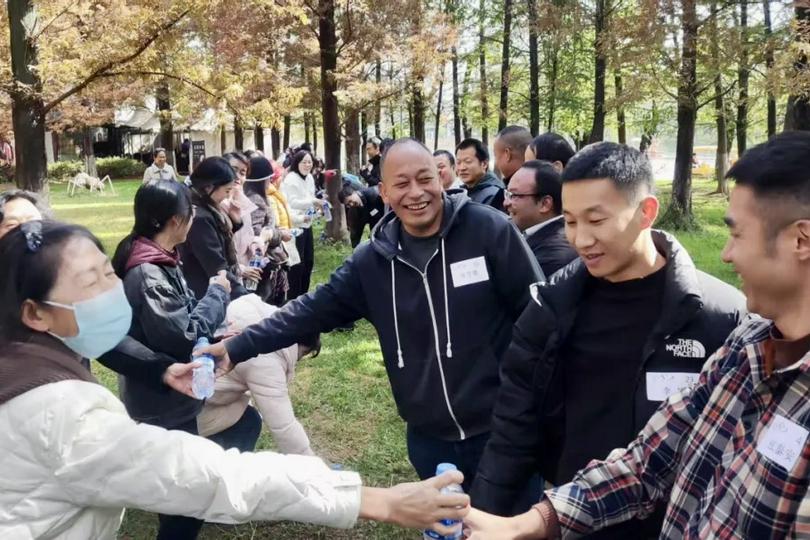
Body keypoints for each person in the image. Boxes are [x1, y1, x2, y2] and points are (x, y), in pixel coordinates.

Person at [0, 220, 472, 539]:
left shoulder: (25, 364)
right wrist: (372, 499)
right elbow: (209, 475)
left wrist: (162, 368)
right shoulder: (60, 415)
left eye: (109, 273)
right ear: (35, 313)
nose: (115, 291)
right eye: (91, 282)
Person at [465, 131, 810, 540]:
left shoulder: (721, 317)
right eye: (571, 222)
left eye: (736, 235)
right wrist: (522, 523)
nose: (725, 255)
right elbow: (647, 461)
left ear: (800, 240)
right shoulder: (745, 350)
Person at [197, 138, 543, 494]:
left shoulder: (488, 230)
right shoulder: (373, 261)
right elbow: (307, 312)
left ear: (442, 179)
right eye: (402, 183)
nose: (416, 192)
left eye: (426, 178)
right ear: (385, 191)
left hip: (500, 430)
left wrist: (531, 406)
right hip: (430, 440)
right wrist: (236, 347)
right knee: (451, 526)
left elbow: (540, 317)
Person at [107, 180, 261, 538]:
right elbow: (184, 336)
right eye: (190, 213)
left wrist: (220, 339)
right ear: (177, 220)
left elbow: (181, 325)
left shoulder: (159, 260)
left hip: (172, 397)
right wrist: (218, 294)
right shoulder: (148, 273)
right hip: (161, 403)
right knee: (183, 504)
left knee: (183, 492)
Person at [198, 295, 319, 456]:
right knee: (251, 421)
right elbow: (284, 426)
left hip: (182, 399)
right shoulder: (266, 360)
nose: (297, 360)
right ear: (297, 342)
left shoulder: (249, 309)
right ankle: (225, 471)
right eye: (302, 354)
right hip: (193, 413)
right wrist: (316, 469)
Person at [179, 156, 250, 301]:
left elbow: (218, 238)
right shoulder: (199, 218)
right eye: (226, 190)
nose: (228, 196)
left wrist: (235, 222)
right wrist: (247, 298)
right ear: (209, 187)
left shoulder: (209, 207)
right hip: (205, 293)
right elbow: (216, 265)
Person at [504, 161, 577, 277]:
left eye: (514, 195)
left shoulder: (554, 254)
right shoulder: (537, 237)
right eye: (507, 194)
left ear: (545, 204)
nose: (506, 203)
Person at [245, 156, 293, 306]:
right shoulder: (256, 200)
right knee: (266, 305)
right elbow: (257, 233)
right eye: (269, 179)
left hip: (266, 261)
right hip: (263, 262)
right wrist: (279, 235)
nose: (270, 183)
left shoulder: (254, 197)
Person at [282, 150, 326, 299]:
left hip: (307, 225)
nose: (307, 165)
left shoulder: (310, 179)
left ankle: (304, 296)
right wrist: (312, 202)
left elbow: (310, 197)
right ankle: (293, 299)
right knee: (297, 265)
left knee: (308, 262)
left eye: (309, 162)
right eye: (304, 162)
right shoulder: (290, 179)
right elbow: (292, 202)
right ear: (297, 163)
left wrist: (317, 209)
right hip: (295, 226)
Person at [221, 152, 259, 267]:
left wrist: (255, 244)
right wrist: (239, 270)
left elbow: (249, 234)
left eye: (242, 173)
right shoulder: (217, 205)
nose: (238, 177)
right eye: (233, 170)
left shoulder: (244, 201)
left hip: (248, 269)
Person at [456, 138, 506, 211]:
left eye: (468, 161)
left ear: (484, 164)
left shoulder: (495, 195)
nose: (462, 168)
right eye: (458, 162)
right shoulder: (462, 192)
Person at [338, 181, 385, 248]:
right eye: (348, 204)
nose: (351, 204)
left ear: (354, 193)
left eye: (350, 201)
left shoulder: (374, 194)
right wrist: (355, 249)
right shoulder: (354, 210)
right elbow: (355, 231)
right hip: (375, 228)